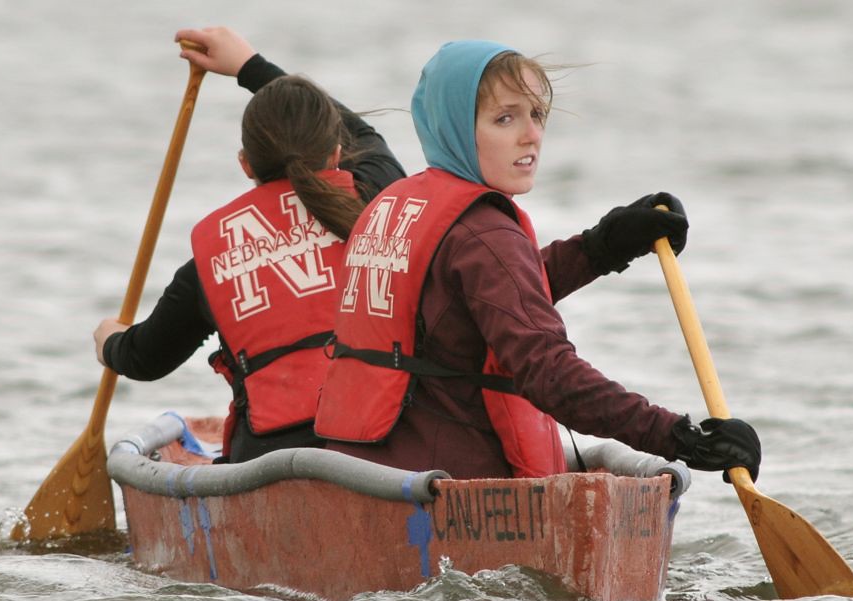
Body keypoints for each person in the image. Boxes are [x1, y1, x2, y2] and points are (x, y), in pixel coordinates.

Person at [314, 40, 762, 482]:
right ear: (453, 125)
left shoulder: (394, 204)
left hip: (359, 472)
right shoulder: (483, 232)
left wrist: (601, 247)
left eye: (537, 115)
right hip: (447, 488)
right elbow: (548, 371)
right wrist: (680, 438)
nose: (531, 135)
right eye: (505, 118)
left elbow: (480, 302)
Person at [94, 27, 405, 463]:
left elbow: (146, 358)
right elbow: (363, 133)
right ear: (336, 155)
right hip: (387, 441)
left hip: (270, 456)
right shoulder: (378, 194)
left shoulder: (209, 260)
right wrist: (249, 67)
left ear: (245, 164)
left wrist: (109, 341)